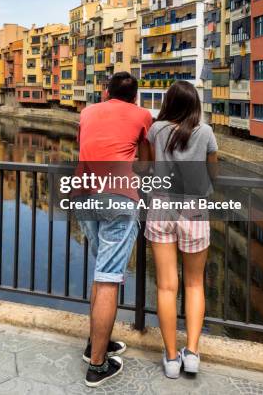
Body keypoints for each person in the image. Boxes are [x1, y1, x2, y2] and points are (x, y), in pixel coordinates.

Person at [77, 71, 152, 388]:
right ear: (135, 96)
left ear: (106, 92)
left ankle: (98, 342)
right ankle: (97, 365)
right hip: (118, 197)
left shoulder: (87, 111)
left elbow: (84, 145)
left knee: (100, 271)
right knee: (108, 278)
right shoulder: (142, 115)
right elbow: (148, 163)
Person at [145, 80, 218, 379]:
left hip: (162, 206)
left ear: (169, 103)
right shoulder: (206, 132)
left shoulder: (156, 130)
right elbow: (213, 172)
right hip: (194, 208)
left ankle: (172, 358)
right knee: (194, 284)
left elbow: (148, 166)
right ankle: (193, 354)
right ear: (195, 105)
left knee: (166, 286)